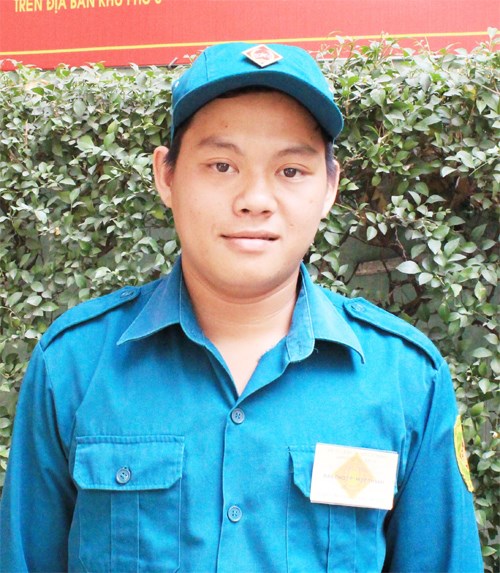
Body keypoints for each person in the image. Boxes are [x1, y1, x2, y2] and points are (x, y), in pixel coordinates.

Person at [0, 42, 483, 572]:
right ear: (166, 176)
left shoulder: (405, 379)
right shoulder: (73, 365)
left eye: (291, 171)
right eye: (222, 165)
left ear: (330, 187)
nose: (255, 199)